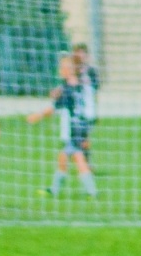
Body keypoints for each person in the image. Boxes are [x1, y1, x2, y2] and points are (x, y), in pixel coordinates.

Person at [27, 55, 97, 199]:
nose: (59, 70)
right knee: (64, 158)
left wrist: (36, 116)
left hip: (74, 129)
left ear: (70, 70)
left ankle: (91, 192)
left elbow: (53, 108)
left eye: (62, 67)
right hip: (80, 127)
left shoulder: (67, 90)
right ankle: (55, 190)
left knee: (78, 159)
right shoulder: (78, 86)